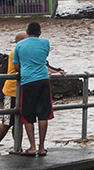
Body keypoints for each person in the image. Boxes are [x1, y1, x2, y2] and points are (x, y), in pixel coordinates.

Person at [12, 21, 65, 156]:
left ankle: (32, 147)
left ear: (27, 31)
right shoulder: (45, 43)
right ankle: (42, 147)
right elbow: (44, 59)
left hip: (28, 81)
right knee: (43, 114)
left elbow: (16, 67)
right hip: (43, 80)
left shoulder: (19, 45)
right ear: (40, 32)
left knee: (28, 116)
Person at [0, 31, 27, 152]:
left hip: (20, 89)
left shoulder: (22, 51)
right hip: (11, 90)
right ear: (21, 40)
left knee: (19, 121)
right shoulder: (16, 51)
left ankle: (18, 146)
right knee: (7, 121)